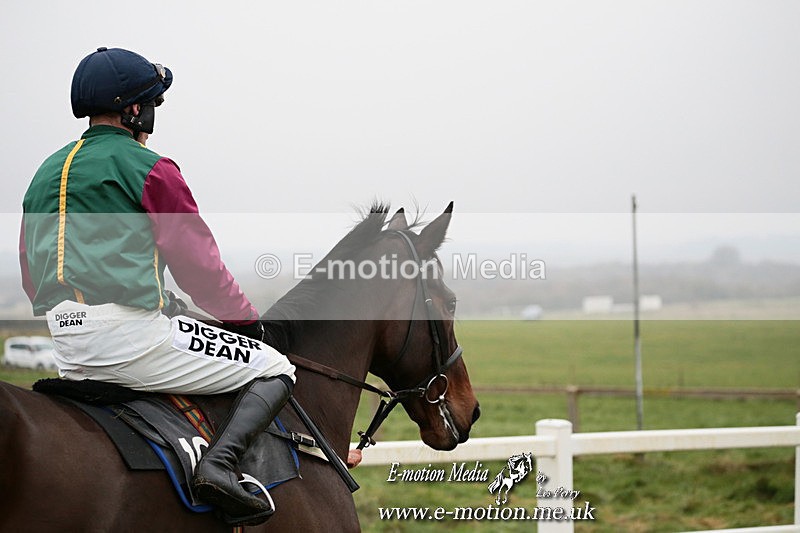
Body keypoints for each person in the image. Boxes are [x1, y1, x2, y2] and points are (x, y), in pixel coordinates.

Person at [19, 47, 295, 526]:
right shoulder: (149, 166)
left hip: (64, 342)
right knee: (275, 367)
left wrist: (157, 299)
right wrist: (245, 322)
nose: (152, 114)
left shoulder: (44, 173)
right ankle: (218, 468)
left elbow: (30, 272)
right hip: (129, 337)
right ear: (134, 109)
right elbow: (199, 266)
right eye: (152, 104)